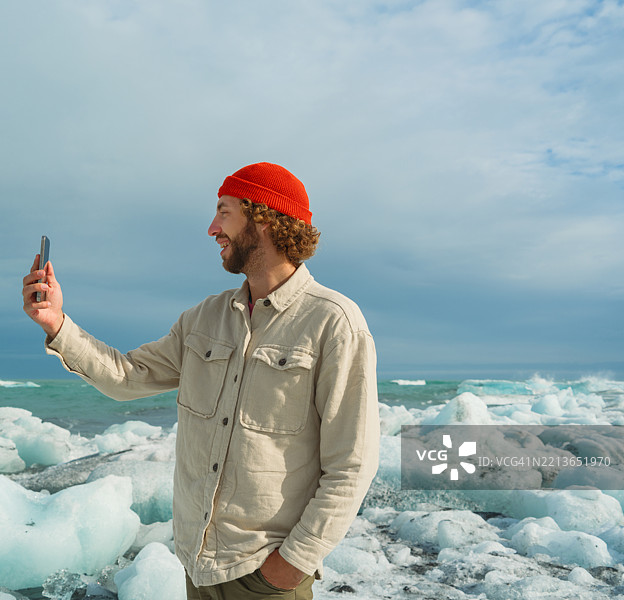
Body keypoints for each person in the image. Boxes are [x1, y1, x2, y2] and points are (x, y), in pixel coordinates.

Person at [22, 162, 380, 599]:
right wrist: (56, 323)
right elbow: (127, 376)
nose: (213, 228)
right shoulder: (203, 319)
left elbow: (352, 465)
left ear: (263, 217)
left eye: (224, 212)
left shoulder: (334, 323)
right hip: (198, 568)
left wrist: (292, 564)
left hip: (267, 573)